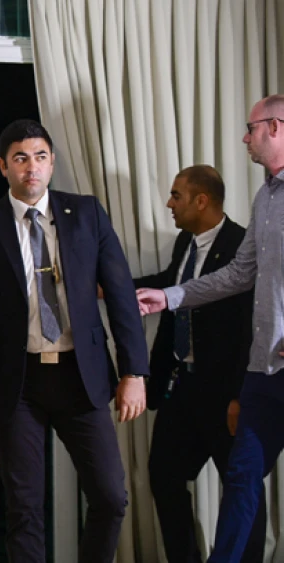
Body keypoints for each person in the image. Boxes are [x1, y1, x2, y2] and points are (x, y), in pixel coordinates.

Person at [0, 119, 149, 563]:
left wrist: (134, 371)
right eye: (20, 159)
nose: (31, 168)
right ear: (3, 166)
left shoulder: (87, 214)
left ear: (52, 162)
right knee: (24, 509)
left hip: (83, 378)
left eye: (39, 157)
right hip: (16, 386)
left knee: (112, 497)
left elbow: (119, 296)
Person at [137, 94, 284, 563]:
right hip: (262, 374)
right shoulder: (265, 197)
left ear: (276, 127)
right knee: (242, 480)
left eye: (251, 127)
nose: (245, 137)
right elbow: (239, 275)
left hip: (244, 379)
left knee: (240, 482)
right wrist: (169, 296)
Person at [134, 165, 260, 563]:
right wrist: (116, 289)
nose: (170, 204)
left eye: (176, 195)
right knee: (164, 475)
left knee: (240, 486)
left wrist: (241, 396)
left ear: (201, 200)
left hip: (226, 393)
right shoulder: (184, 243)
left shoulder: (243, 245)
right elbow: (172, 285)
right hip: (182, 386)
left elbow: (248, 331)